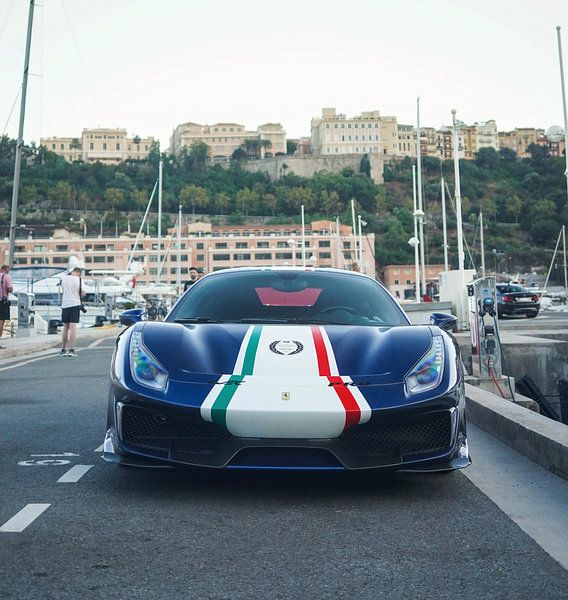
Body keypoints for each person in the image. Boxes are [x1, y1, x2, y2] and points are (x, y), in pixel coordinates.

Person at [59, 267, 85, 357]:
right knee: (73, 328)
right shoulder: (79, 280)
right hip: (74, 304)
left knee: (65, 328)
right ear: (79, 273)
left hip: (65, 304)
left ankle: (63, 349)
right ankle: (72, 349)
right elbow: (82, 293)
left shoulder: (64, 279)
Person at [0, 264, 14, 340]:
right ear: (6, 269)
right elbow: (10, 289)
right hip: (2, 302)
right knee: (1, 321)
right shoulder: (6, 276)